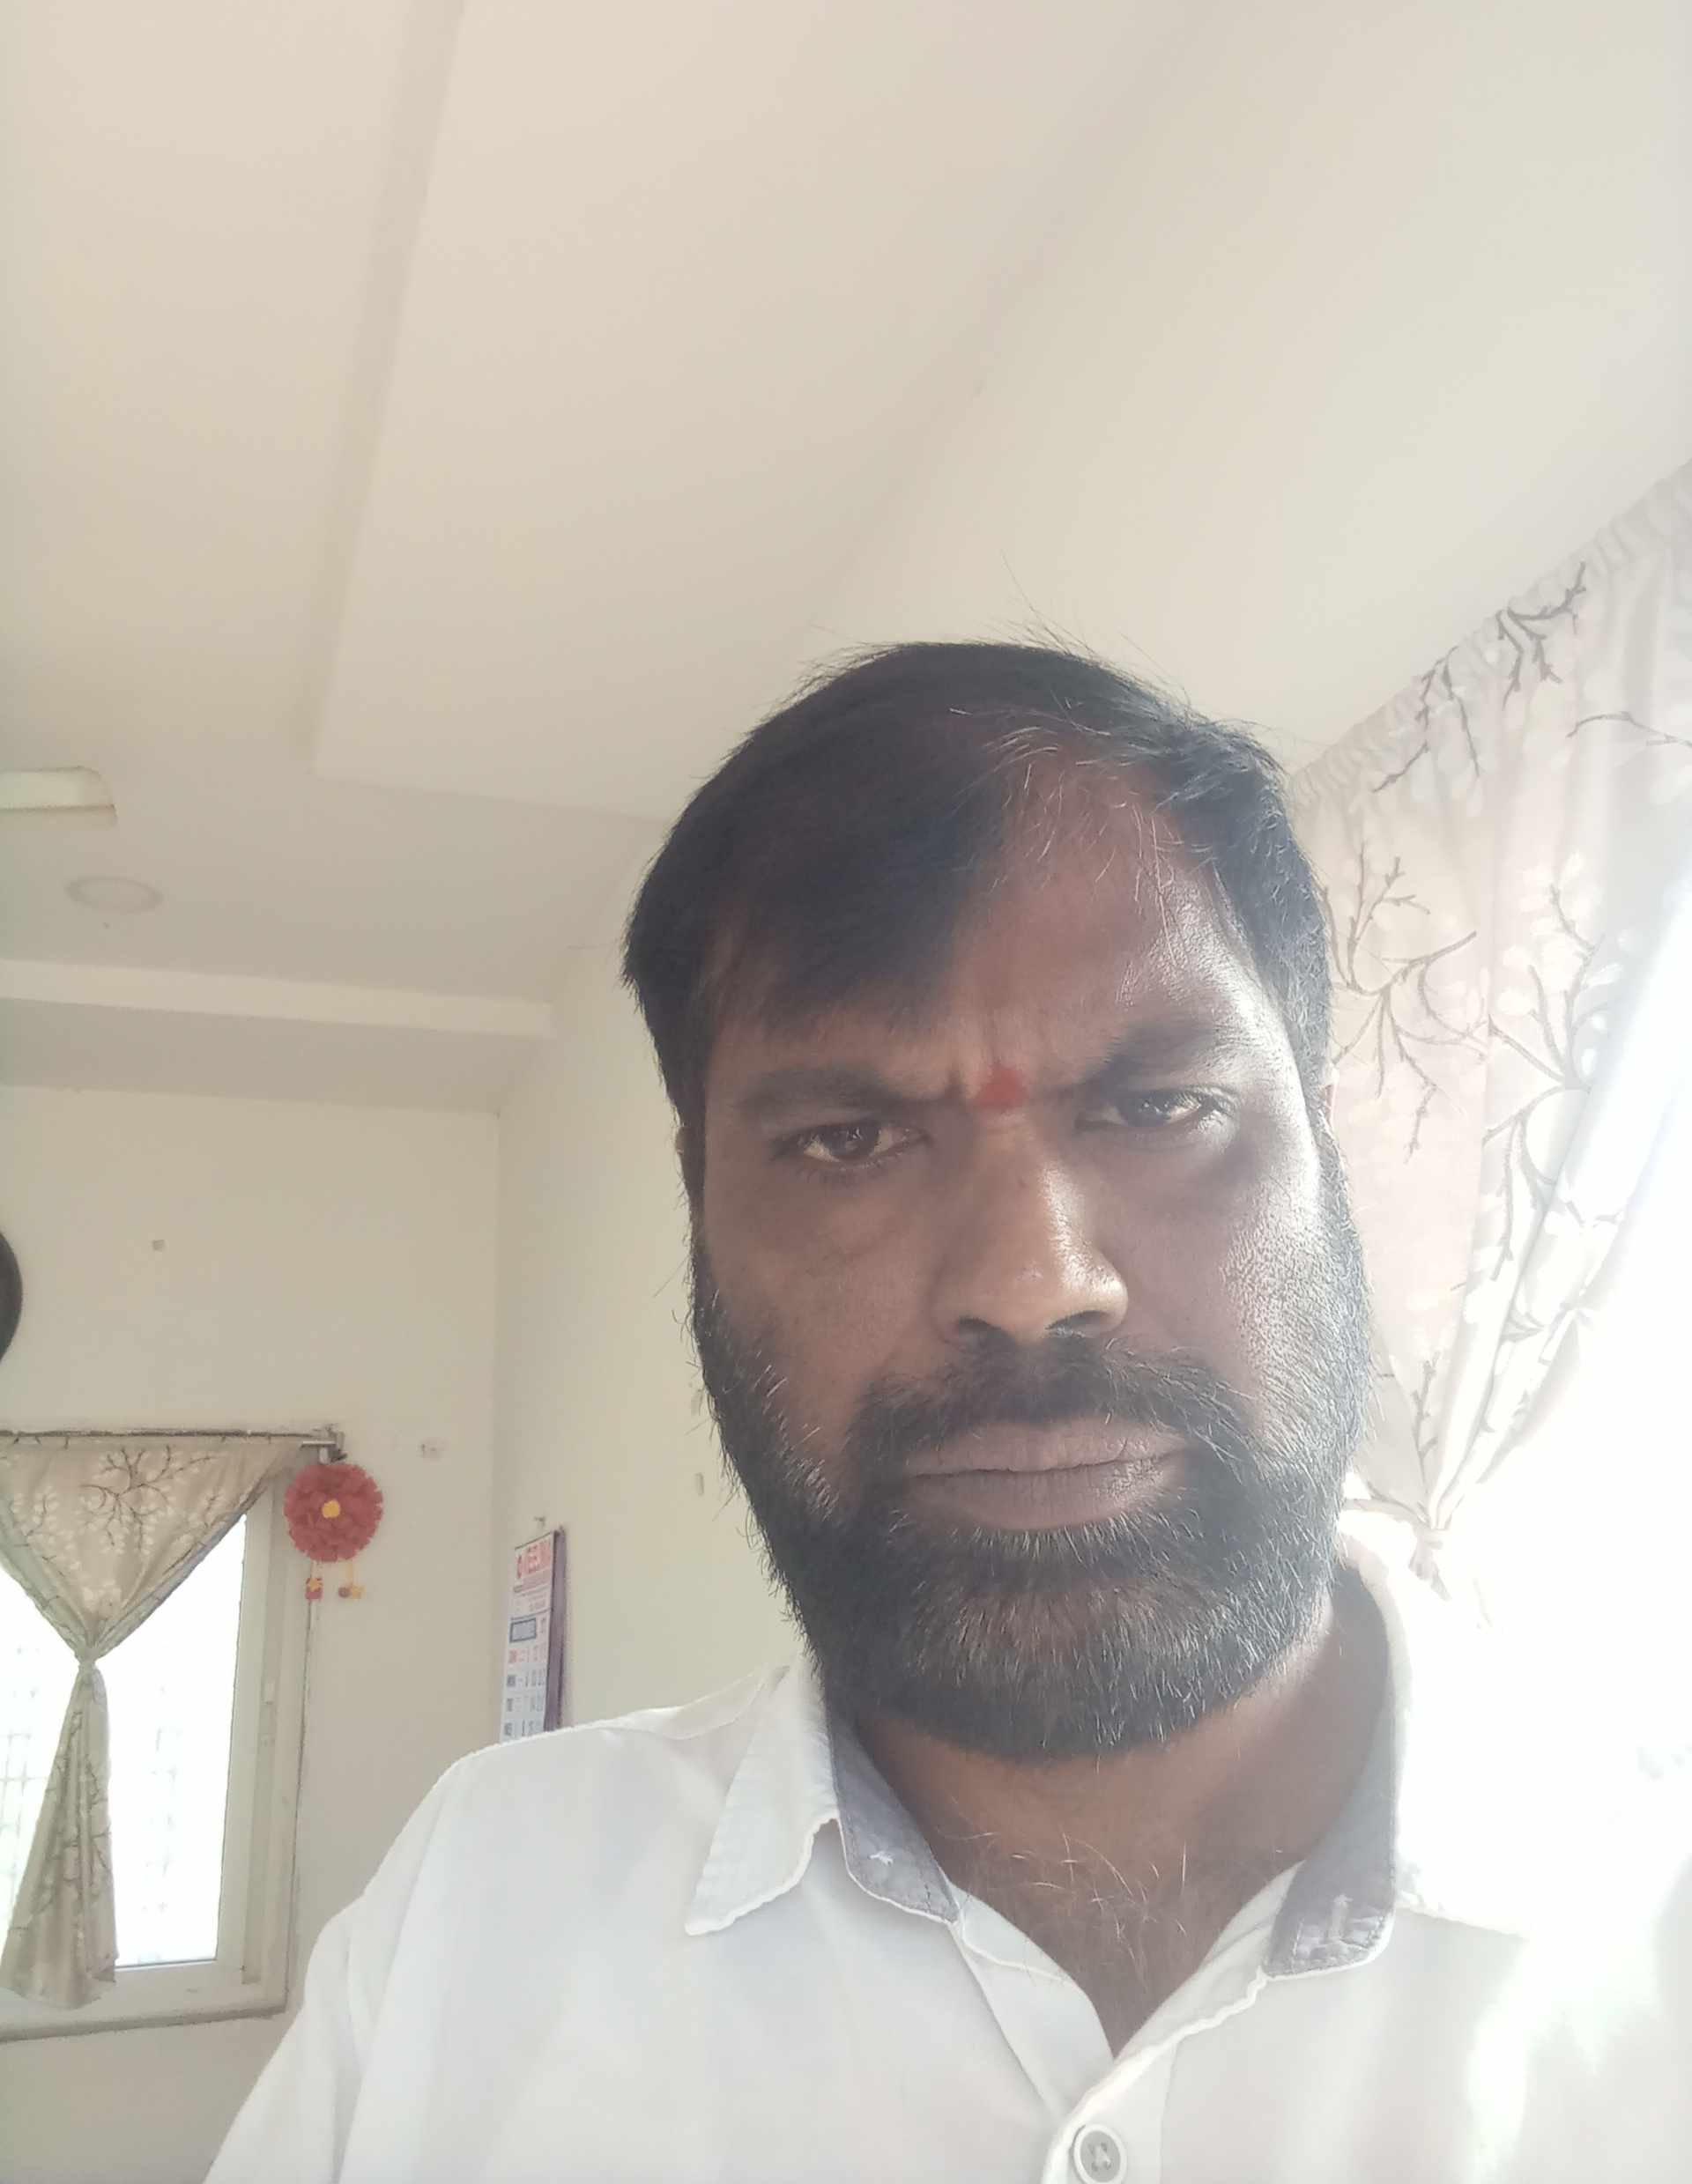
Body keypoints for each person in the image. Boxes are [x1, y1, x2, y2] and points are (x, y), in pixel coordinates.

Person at [209, 644, 1689, 2183]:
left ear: (1324, 1148)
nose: (1031, 1284)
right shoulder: (478, 1914)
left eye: (1160, 1107)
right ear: (702, 1208)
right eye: (849, 1140)